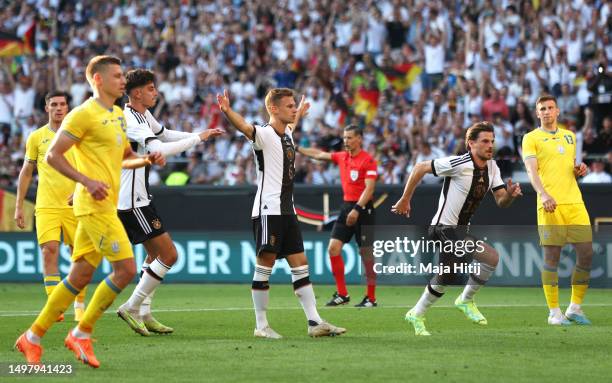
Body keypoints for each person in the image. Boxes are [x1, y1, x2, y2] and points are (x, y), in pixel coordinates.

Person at [14, 55, 165, 368]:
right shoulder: (82, 115)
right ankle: (81, 333)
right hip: (93, 205)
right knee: (125, 269)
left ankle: (32, 337)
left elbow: (124, 155)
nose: (123, 80)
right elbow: (54, 156)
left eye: (123, 75)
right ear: (97, 80)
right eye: (117, 76)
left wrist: (146, 160)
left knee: (80, 273)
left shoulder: (118, 116)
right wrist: (85, 181)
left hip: (103, 204)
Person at [217, 87, 346, 338]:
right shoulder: (263, 134)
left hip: (287, 211)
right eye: (289, 105)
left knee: (300, 265)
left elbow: (291, 125)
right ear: (273, 108)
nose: (294, 108)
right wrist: (227, 110)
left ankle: (315, 322)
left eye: (294, 105)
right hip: (268, 209)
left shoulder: (287, 132)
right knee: (265, 264)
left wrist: (300, 115)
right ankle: (261, 326)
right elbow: (245, 127)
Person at [115, 68, 223, 336]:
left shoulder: (142, 114)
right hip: (132, 201)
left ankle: (144, 313)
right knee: (170, 255)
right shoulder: (130, 119)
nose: (156, 93)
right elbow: (158, 149)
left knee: (154, 255)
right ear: (137, 93)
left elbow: (163, 135)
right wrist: (197, 139)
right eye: (151, 89)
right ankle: (131, 306)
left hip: (140, 197)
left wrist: (200, 134)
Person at [392, 122, 522, 336]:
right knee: (481, 258)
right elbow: (420, 167)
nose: (491, 145)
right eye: (485, 141)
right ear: (471, 143)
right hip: (442, 227)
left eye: (492, 141)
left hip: (460, 231)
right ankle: (465, 300)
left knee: (455, 272)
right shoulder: (459, 163)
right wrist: (405, 199)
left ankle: (418, 312)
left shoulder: (492, 167)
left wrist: (509, 195)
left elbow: (501, 201)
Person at [14, 91, 87, 322]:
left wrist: (79, 190)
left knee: (79, 257)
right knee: (49, 251)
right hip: (46, 205)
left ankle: (79, 303)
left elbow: (90, 167)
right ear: (46, 108)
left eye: (62, 104)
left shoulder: (78, 136)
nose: (58, 108)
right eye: (53, 104)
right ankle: (55, 305)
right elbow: (26, 173)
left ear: (67, 108)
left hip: (75, 204)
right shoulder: (36, 137)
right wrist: (18, 206)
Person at [522, 95, 593, 326]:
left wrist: (579, 169)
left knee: (586, 254)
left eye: (550, 107)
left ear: (558, 111)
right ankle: (554, 312)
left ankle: (575, 308)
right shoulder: (531, 138)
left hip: (574, 202)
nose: (546, 111)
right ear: (537, 113)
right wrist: (543, 194)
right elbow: (532, 172)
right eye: (542, 108)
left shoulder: (570, 137)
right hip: (550, 204)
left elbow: (568, 168)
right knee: (552, 258)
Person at [296, 125, 379, 307]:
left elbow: (370, 188)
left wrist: (357, 209)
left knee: (366, 253)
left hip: (363, 209)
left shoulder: (368, 161)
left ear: (359, 139)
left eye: (349, 138)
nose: (346, 141)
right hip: (347, 206)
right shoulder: (342, 157)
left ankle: (371, 298)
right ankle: (342, 294)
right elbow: (319, 155)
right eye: (344, 137)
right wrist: (298, 148)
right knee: (333, 248)